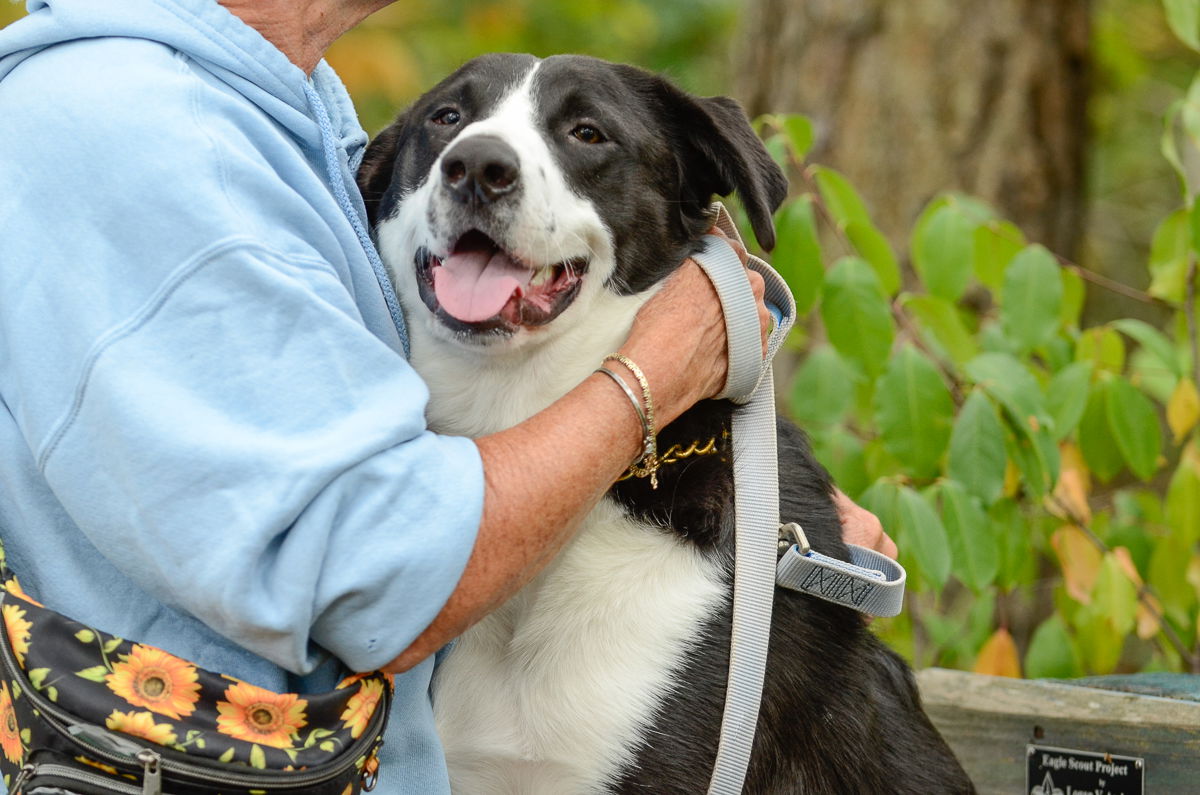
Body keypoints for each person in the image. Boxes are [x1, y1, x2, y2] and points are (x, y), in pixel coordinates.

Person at [0, 0, 894, 791]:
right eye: (448, 128)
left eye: (586, 136)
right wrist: (660, 375)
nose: (479, 159)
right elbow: (377, 584)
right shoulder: (143, 130)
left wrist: (770, 490)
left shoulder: (277, 112)